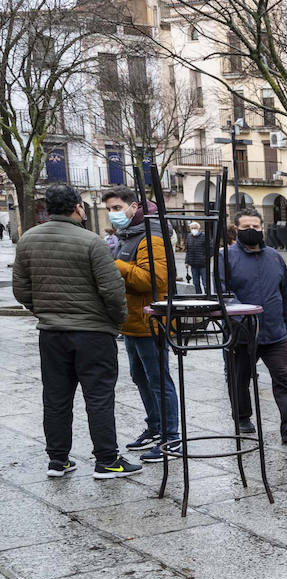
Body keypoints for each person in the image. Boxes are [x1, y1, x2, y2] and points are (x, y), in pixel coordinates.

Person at [13, 184, 142, 479]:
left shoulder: (28, 240)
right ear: (77, 208)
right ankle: (107, 460)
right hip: (93, 333)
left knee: (56, 397)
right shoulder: (91, 242)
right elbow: (112, 291)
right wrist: (116, 322)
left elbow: (22, 291)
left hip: (52, 334)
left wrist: (45, 311)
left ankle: (58, 461)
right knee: (99, 396)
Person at [103, 186, 180, 464]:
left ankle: (171, 438)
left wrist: (116, 266)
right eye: (109, 209)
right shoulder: (128, 236)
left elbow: (154, 280)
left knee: (159, 380)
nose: (113, 214)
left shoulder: (152, 237)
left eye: (116, 208)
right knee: (141, 377)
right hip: (132, 322)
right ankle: (156, 427)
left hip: (151, 322)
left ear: (134, 206)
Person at [219, 209, 287, 443]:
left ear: (262, 228)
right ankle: (242, 416)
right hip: (241, 333)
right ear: (237, 229)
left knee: (281, 376)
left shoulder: (275, 257)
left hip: (274, 331)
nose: (252, 231)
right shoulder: (225, 257)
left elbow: (285, 292)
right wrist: (242, 318)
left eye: (256, 227)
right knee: (240, 377)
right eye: (246, 227)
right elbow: (224, 294)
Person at [184, 221, 209, 294]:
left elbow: (210, 248)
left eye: (195, 228)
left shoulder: (204, 236)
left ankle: (208, 295)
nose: (193, 229)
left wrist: (205, 257)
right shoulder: (189, 237)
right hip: (193, 264)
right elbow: (187, 250)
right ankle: (199, 296)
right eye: (192, 228)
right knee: (196, 283)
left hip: (203, 264)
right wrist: (187, 261)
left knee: (205, 283)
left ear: (198, 228)